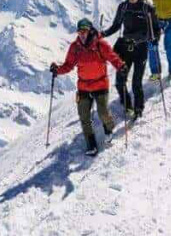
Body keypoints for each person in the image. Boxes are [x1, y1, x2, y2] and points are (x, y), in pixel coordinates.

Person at [50, 18, 125, 156]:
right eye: (79, 31)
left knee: (103, 112)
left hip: (100, 84)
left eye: (84, 31)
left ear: (90, 30)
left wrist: (121, 66)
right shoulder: (75, 47)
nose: (82, 34)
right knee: (84, 117)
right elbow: (68, 65)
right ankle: (91, 145)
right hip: (84, 86)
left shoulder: (100, 44)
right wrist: (57, 70)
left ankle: (109, 130)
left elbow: (112, 57)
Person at [101, 0, 160, 121]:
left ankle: (138, 109)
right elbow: (116, 26)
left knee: (136, 83)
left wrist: (148, 39)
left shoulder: (147, 9)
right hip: (125, 48)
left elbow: (155, 31)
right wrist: (103, 33)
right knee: (120, 81)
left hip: (140, 49)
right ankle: (127, 105)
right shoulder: (123, 7)